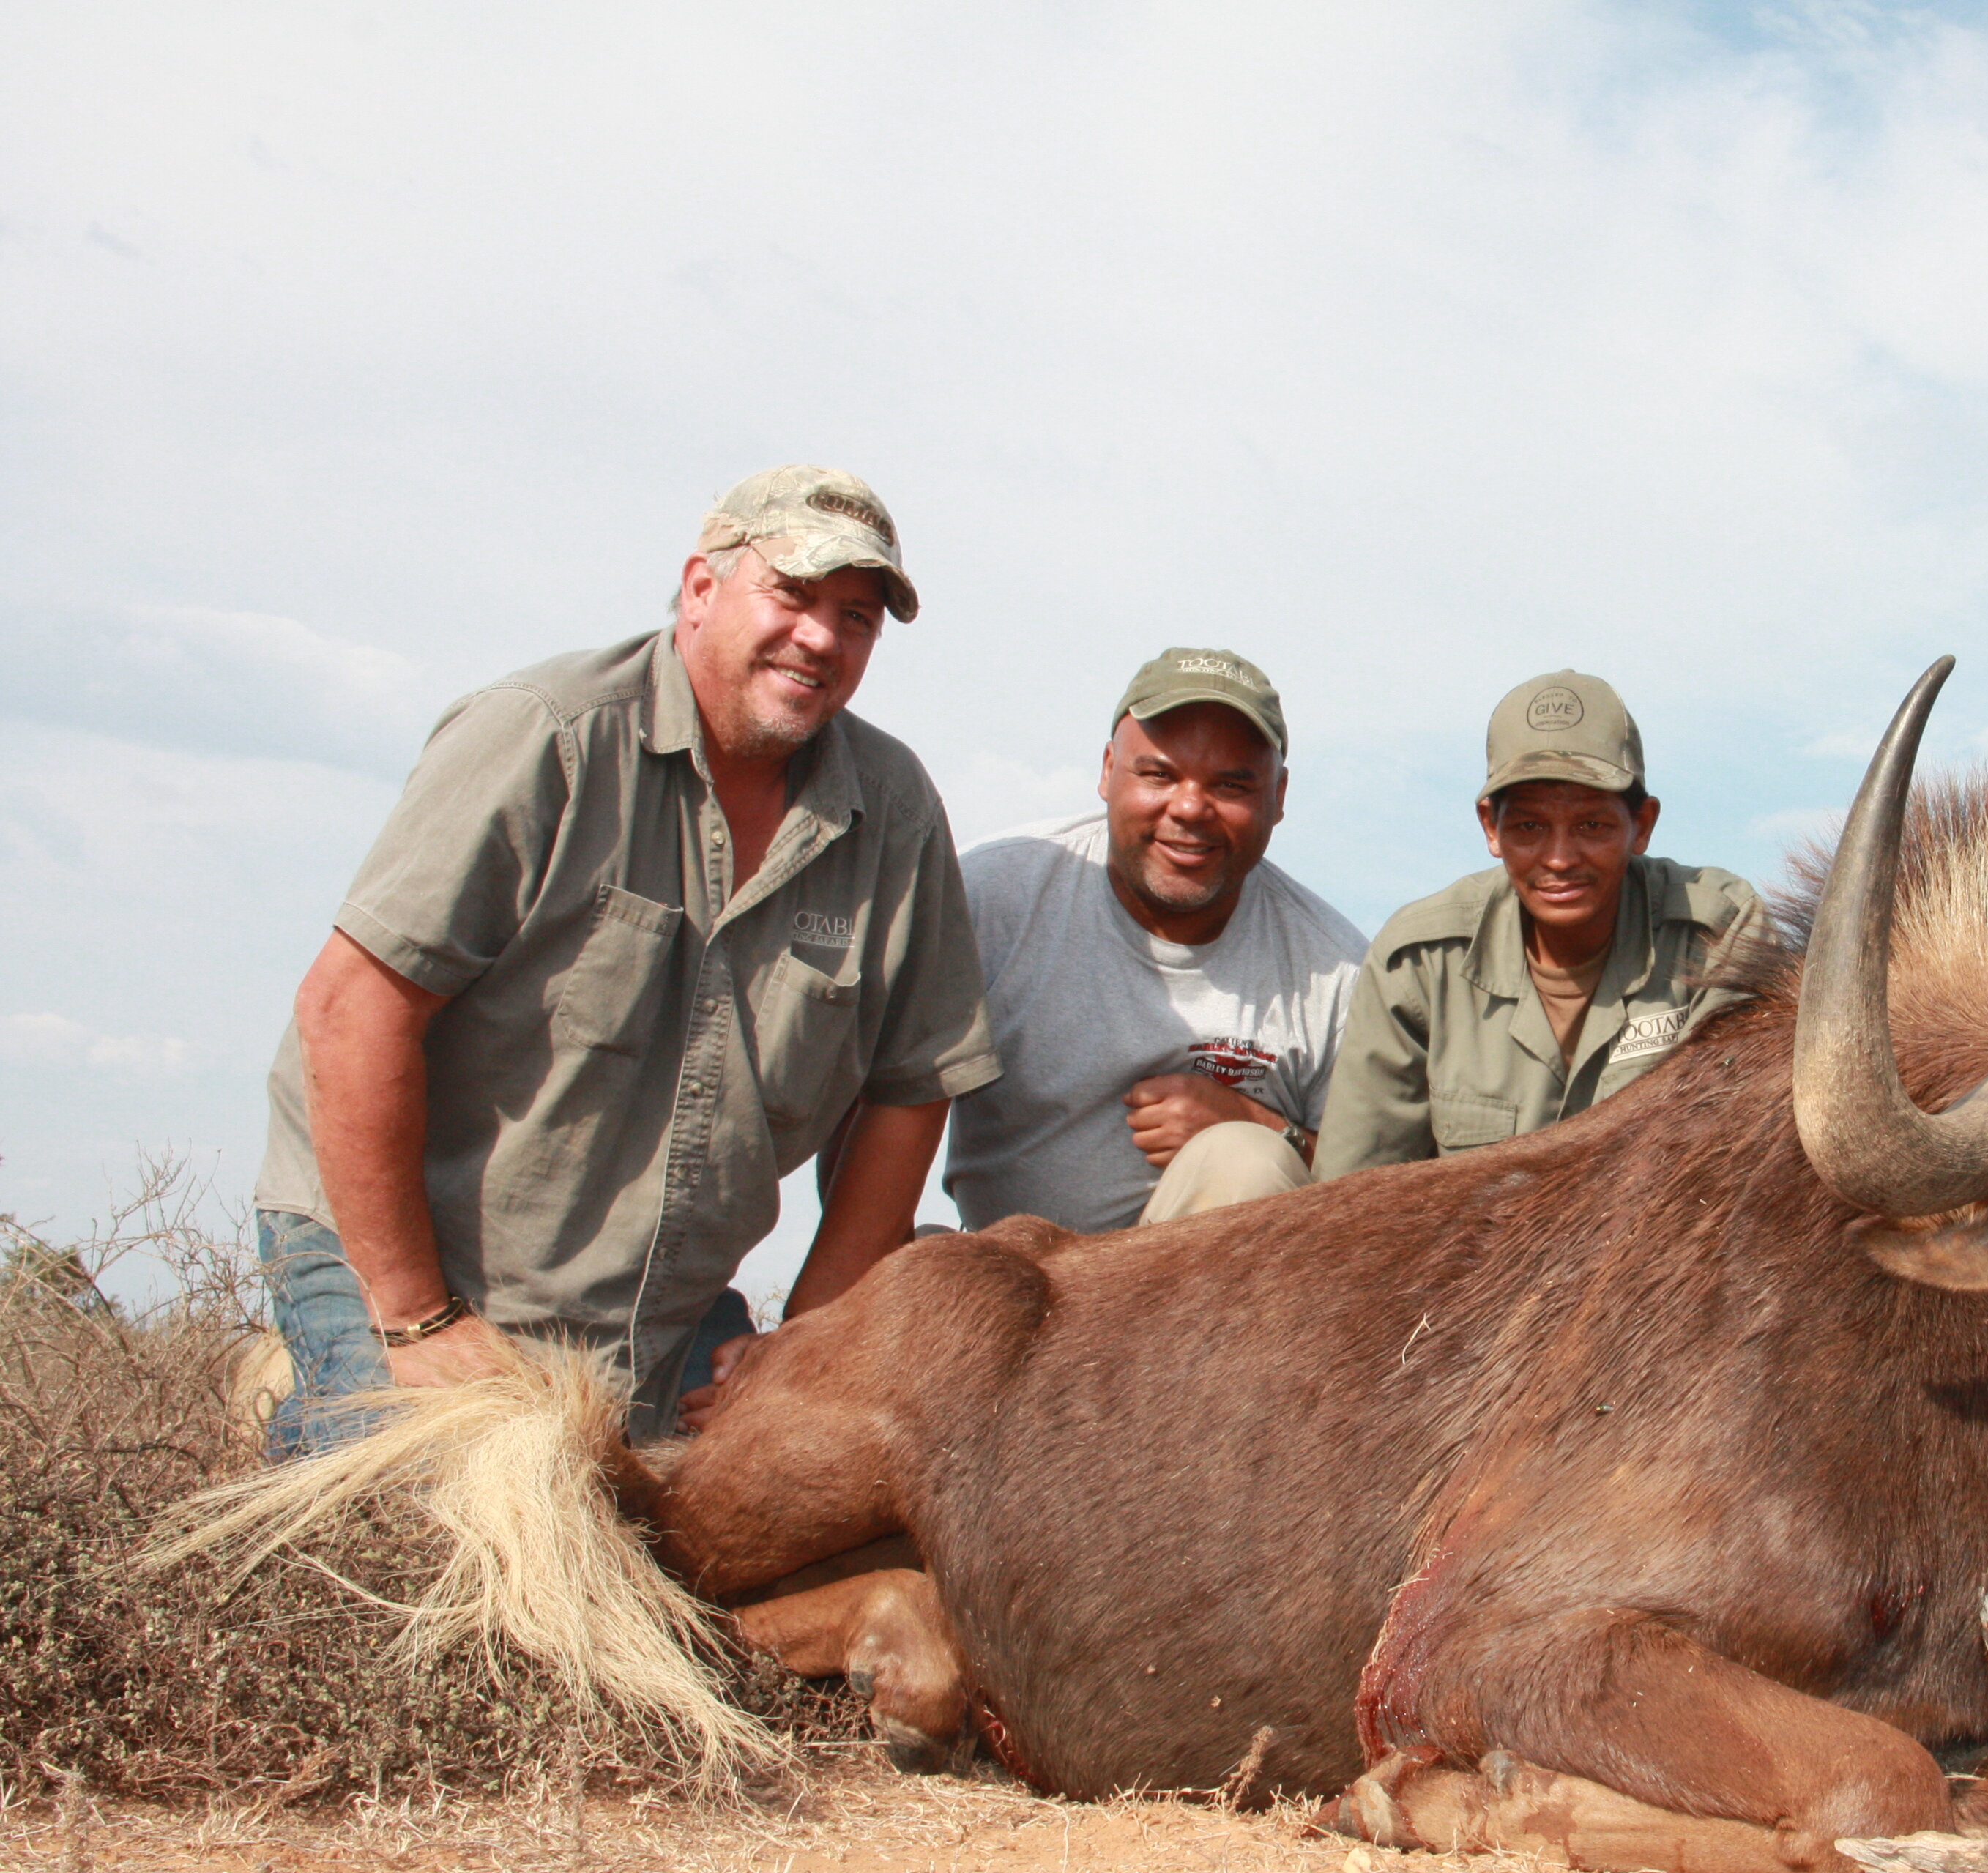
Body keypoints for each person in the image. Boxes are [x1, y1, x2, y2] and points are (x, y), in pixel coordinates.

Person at [252, 466, 997, 1456]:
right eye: (794, 594)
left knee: (771, 1550)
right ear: (701, 589)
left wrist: (806, 1351)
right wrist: (415, 1319)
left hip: (659, 1310)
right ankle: (309, 1381)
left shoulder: (894, 808)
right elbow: (351, 1009)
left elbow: (911, 1093)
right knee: (455, 1537)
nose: (821, 637)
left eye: (856, 617)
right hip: (406, 1261)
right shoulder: (545, 738)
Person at [942, 649, 1366, 1234]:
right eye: (1159, 774)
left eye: (1231, 784)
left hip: (1195, 1311)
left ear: (1279, 796)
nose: (1190, 808)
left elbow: (1381, 1193)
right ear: (1108, 769)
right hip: (1007, 1290)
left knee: (1248, 1159)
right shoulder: (991, 895)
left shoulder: (1336, 968)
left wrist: (1267, 1126)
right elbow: (883, 1096)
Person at [1314, 670, 1762, 1176]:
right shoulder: (1419, 963)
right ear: (1491, 827)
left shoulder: (1716, 936)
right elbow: (1354, 1192)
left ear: (1643, 825)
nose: (1560, 858)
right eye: (1529, 827)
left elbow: (1735, 1170)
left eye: (1592, 825)